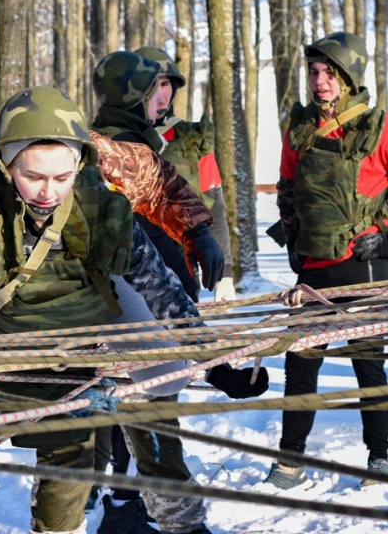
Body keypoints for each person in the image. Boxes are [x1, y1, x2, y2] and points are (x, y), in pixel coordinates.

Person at [0, 86, 267, 534]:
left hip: (100, 309)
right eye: (33, 176)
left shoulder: (103, 209)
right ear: (6, 165)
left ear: (80, 165)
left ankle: (183, 524)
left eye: (62, 178)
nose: (48, 192)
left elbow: (159, 287)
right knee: (66, 448)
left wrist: (213, 363)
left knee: (153, 391)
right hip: (19, 331)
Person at [264, 32, 388, 489]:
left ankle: (378, 460)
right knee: (300, 362)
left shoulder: (383, 128)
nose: (320, 81)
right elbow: (287, 188)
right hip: (314, 262)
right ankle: (290, 462)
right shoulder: (302, 128)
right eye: (314, 71)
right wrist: (292, 237)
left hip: (366, 261)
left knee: (368, 362)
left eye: (329, 72)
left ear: (348, 77)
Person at [88, 50, 232, 532]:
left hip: (162, 298)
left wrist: (202, 238)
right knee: (142, 409)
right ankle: (134, 509)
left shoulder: (162, 144)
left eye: (169, 85)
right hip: (135, 308)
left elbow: (200, 197)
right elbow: (134, 240)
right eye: (156, 88)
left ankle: (132, 507)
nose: (165, 95)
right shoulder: (112, 155)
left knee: (142, 408)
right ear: (133, 96)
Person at [93, 48, 235, 303]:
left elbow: (216, 206)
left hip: (185, 265)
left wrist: (225, 272)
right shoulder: (102, 144)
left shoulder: (191, 140)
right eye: (152, 86)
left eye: (166, 84)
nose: (159, 96)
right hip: (141, 277)